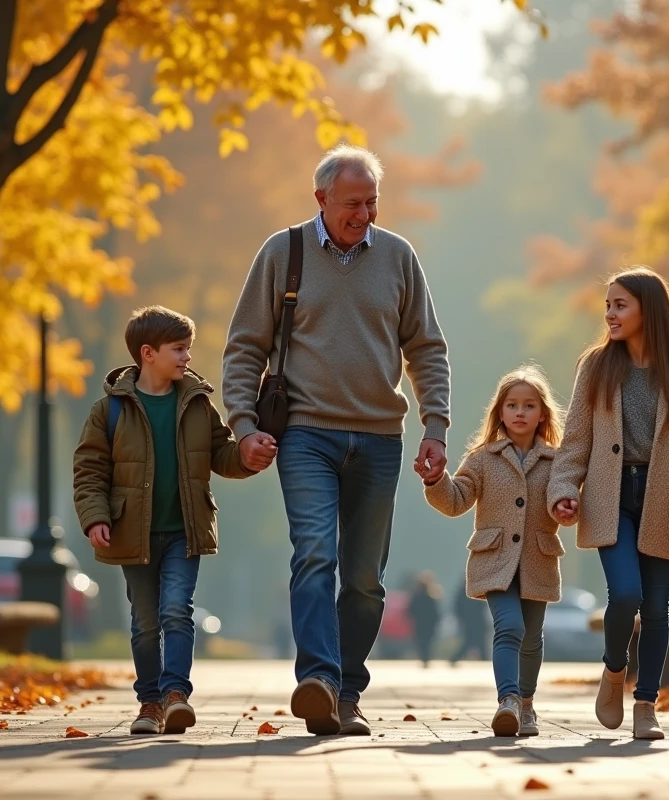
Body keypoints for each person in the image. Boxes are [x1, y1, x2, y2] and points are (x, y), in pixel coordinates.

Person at [222, 144, 451, 736]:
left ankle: (346, 690)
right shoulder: (284, 252)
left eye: (373, 202)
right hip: (305, 435)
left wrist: (435, 426)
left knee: (366, 579)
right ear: (321, 198)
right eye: (354, 203)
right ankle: (319, 679)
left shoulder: (399, 256)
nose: (365, 214)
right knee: (315, 553)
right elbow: (245, 347)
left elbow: (426, 349)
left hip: (380, 437)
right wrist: (244, 427)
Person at [547, 267, 669, 740]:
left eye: (620, 305)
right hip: (612, 497)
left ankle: (646, 706)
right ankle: (614, 670)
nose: (610, 314)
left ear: (649, 309)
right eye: (607, 305)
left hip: (662, 501)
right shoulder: (597, 366)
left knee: (658, 608)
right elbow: (575, 440)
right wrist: (564, 490)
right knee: (626, 595)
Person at [73, 306, 257, 736]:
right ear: (148, 353)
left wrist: (249, 456)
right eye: (179, 349)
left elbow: (223, 454)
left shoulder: (196, 403)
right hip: (132, 533)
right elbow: (89, 470)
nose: (187, 357)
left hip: (183, 531)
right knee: (145, 621)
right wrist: (95, 518)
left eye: (188, 348)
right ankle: (150, 703)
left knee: (177, 611)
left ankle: (176, 695)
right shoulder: (110, 411)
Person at [423, 365, 566, 737]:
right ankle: (508, 701)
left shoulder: (557, 462)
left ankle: (528, 704)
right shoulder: (483, 458)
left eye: (529, 405)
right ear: (500, 412)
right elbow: (455, 501)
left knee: (532, 637)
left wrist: (568, 506)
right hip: (495, 561)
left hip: (538, 559)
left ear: (542, 414)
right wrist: (436, 480)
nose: (520, 412)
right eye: (512, 405)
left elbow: (565, 502)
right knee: (510, 626)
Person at [406, 570, 443, 667]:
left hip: (420, 624)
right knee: (427, 642)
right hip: (429, 625)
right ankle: (426, 658)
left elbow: (410, 610)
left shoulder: (416, 597)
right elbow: (436, 613)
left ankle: (424, 658)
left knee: (421, 642)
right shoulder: (432, 597)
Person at [449, 578, 488, 665]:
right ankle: (485, 660)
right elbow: (482, 607)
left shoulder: (461, 593)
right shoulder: (477, 592)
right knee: (476, 642)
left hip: (469, 622)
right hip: (476, 622)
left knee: (472, 642)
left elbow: (457, 608)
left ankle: (485, 660)